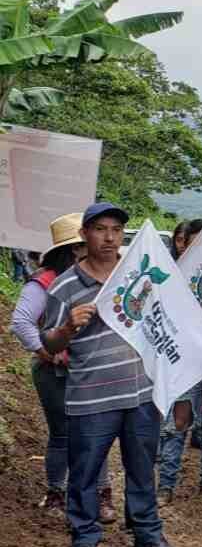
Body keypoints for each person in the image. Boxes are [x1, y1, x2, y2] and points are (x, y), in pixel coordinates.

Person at [40, 201, 183, 547]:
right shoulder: (65, 286)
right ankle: (85, 537)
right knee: (85, 471)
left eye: (116, 230)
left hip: (140, 393)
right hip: (91, 396)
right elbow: (49, 343)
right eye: (100, 229)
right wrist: (69, 327)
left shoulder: (137, 275)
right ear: (84, 235)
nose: (109, 237)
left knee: (141, 468)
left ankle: (148, 534)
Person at [10, 213, 117, 524]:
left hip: (92, 368)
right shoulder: (44, 283)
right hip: (56, 373)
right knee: (63, 435)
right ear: (73, 250)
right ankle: (58, 492)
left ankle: (100, 493)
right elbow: (21, 322)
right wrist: (45, 350)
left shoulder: (97, 278)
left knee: (98, 432)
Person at [157, 218, 202, 505]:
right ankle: (166, 485)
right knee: (178, 422)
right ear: (181, 242)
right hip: (183, 361)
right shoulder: (168, 277)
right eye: (196, 243)